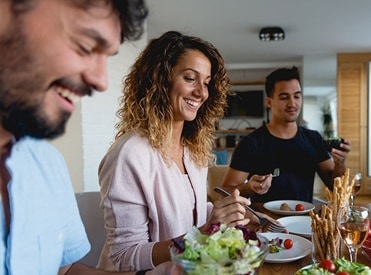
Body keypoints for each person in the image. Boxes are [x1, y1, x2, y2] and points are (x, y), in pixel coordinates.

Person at [0, 0, 181, 274]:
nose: (100, 81)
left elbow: (65, 270)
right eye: (85, 46)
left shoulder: (48, 164)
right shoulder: (130, 152)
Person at [96, 31, 262, 272]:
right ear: (160, 80)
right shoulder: (130, 154)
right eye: (190, 78)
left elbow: (189, 212)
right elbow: (124, 255)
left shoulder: (192, 149)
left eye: (206, 83)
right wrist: (203, 234)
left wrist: (229, 213)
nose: (202, 92)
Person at [221, 66, 351, 203]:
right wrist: (249, 187)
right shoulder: (251, 143)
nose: (292, 103)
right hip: (265, 222)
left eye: (297, 96)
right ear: (269, 102)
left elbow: (335, 187)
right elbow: (225, 192)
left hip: (303, 220)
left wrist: (340, 163)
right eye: (284, 97)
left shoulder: (313, 139)